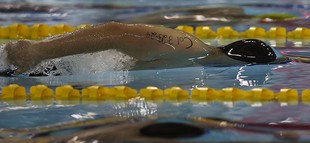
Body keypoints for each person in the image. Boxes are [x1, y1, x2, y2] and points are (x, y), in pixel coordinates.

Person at [1, 22, 288, 76]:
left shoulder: (197, 63)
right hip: (46, 65)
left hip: (55, 72)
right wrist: (40, 51)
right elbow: (115, 32)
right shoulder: (186, 47)